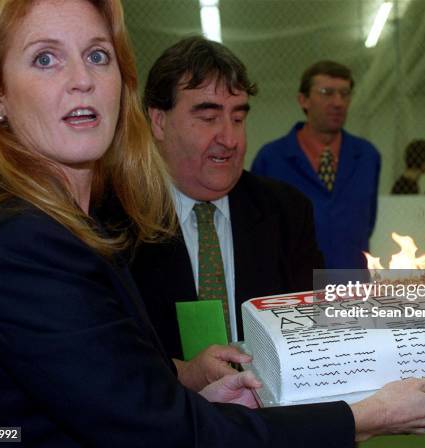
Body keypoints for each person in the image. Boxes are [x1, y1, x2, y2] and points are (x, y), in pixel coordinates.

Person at [0, 1, 425, 446]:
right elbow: (154, 429)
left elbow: (66, 409)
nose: (81, 79)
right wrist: (358, 418)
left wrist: (193, 393)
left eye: (97, 56)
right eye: (45, 58)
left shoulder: (58, 228)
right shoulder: (28, 243)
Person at [131, 36, 324, 364]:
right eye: (208, 119)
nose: (230, 139)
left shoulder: (287, 212)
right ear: (159, 122)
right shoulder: (116, 219)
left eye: (237, 118)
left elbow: (312, 335)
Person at [252, 61, 381, 269]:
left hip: (352, 282)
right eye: (326, 92)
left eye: (345, 93)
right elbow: (260, 230)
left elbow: (368, 221)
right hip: (293, 287)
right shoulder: (271, 159)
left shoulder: (367, 156)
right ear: (303, 100)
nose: (338, 102)